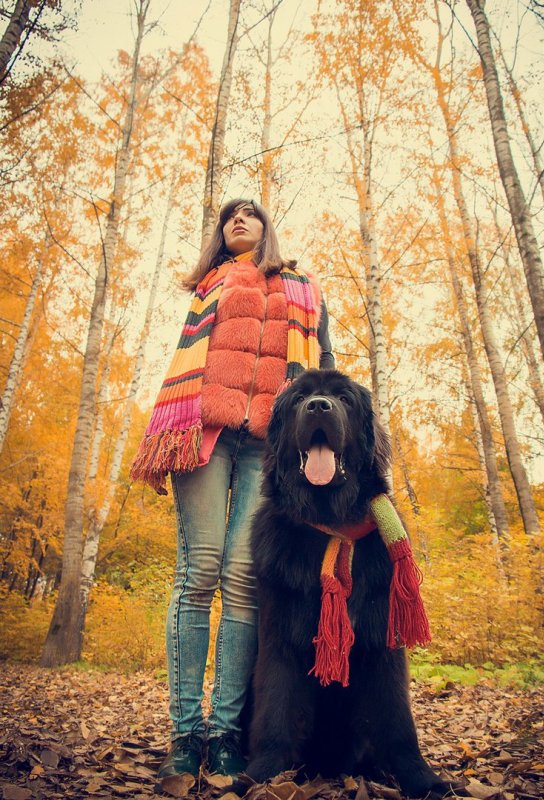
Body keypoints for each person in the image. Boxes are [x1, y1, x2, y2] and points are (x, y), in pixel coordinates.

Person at [130, 199, 334, 791]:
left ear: (269, 228)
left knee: (245, 577)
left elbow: (323, 363)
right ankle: (185, 733)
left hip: (270, 444)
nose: (238, 220)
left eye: (251, 214)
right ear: (221, 233)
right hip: (203, 430)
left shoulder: (302, 287)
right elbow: (190, 359)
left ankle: (223, 735)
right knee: (200, 571)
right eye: (229, 216)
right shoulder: (212, 283)